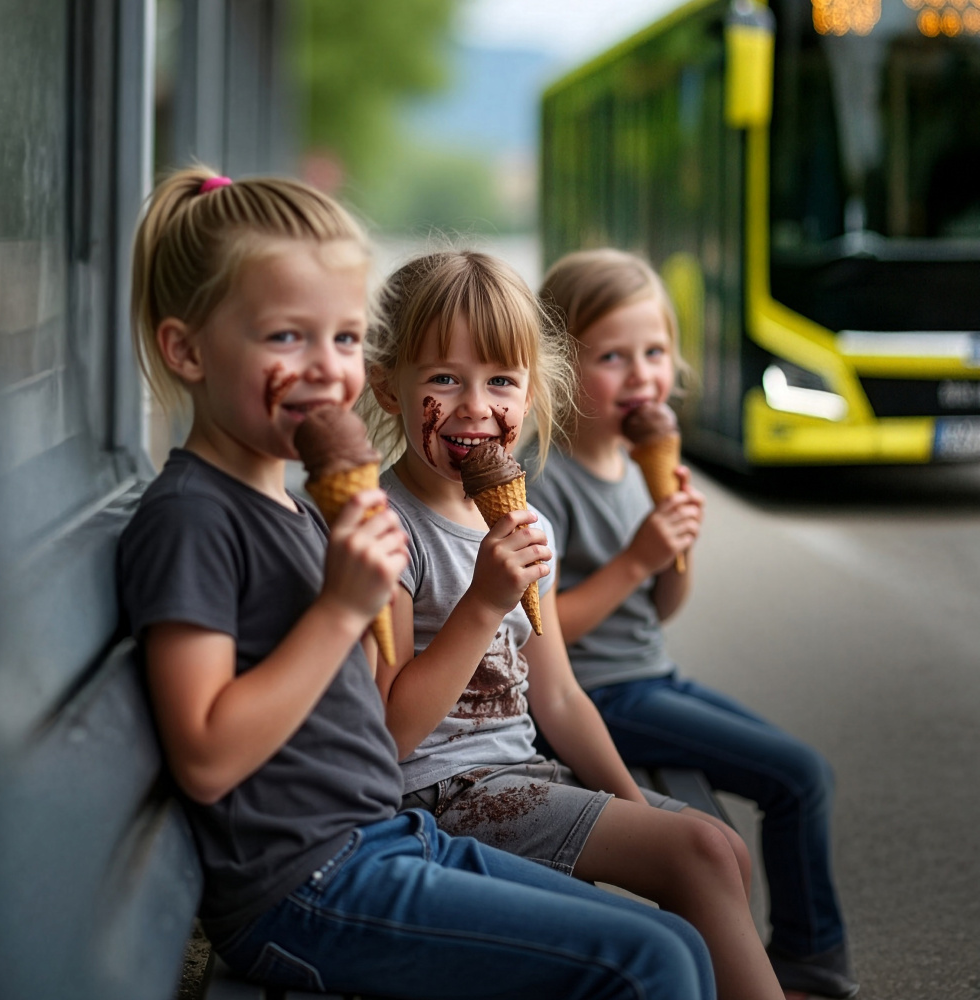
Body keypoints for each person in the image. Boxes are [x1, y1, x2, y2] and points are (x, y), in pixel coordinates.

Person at [117, 169, 719, 1000]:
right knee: (648, 963)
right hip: (308, 884)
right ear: (185, 350)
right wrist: (344, 608)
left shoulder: (291, 509)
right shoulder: (193, 516)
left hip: (381, 838)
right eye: (285, 338)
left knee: (675, 942)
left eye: (340, 339)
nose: (325, 369)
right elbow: (209, 759)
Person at [363, 248, 786, 1000]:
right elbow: (389, 734)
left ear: (533, 392)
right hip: (437, 797)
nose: (474, 406)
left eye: (501, 380)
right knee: (696, 849)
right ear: (387, 389)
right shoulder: (391, 533)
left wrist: (626, 796)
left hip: (522, 774)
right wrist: (484, 602)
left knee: (723, 848)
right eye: (442, 379)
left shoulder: (527, 524)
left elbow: (556, 698)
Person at [525, 247, 858, 1000]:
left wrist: (675, 553)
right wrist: (639, 559)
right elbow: (540, 630)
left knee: (806, 769)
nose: (642, 373)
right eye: (613, 355)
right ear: (558, 365)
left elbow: (662, 609)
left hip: (650, 674)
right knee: (797, 777)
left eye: (655, 352)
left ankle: (801, 955)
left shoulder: (638, 462)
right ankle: (810, 961)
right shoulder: (545, 479)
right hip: (598, 695)